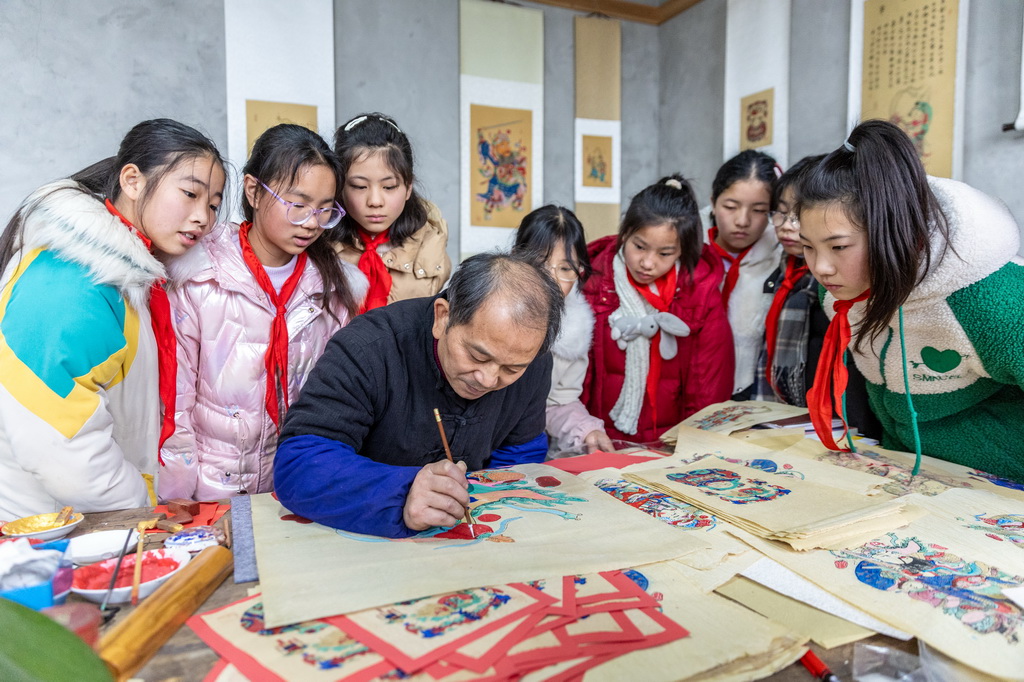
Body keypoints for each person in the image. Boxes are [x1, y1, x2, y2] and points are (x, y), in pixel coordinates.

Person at [0, 119, 226, 519]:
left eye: (212, 204)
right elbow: (61, 446)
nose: (203, 217)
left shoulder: (132, 275)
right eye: (190, 193)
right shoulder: (72, 280)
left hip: (83, 519)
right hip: (48, 529)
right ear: (132, 181)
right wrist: (141, 508)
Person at [273, 252, 564, 537]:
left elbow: (520, 454)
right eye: (477, 356)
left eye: (511, 369)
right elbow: (299, 465)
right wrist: (401, 493)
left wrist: (491, 499)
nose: (488, 379)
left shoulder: (533, 362)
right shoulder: (370, 347)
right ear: (443, 317)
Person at [799, 119, 1024, 482]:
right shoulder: (842, 291)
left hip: (1004, 487)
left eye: (838, 247)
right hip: (911, 472)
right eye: (807, 247)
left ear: (892, 231)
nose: (821, 268)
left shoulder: (992, 297)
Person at [159, 124, 367, 501]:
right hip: (208, 489)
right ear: (254, 191)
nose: (312, 223)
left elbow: (336, 405)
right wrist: (177, 499)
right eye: (298, 204)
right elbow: (175, 403)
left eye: (324, 210)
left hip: (294, 487)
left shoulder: (335, 291)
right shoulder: (200, 276)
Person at [581, 175, 734, 444]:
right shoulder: (592, 282)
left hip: (668, 445)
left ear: (681, 252)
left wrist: (692, 446)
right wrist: (581, 432)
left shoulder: (699, 292)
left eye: (664, 253)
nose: (647, 263)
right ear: (624, 233)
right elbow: (574, 378)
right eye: (639, 247)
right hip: (597, 439)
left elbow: (708, 386)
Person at [512, 205, 613, 454]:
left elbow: (558, 402)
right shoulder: (486, 311)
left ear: (579, 273)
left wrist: (586, 429)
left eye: (565, 269)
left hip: (519, 451)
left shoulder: (574, 331)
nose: (551, 279)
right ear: (515, 258)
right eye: (539, 263)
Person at [332, 113, 451, 312]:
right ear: (340, 186)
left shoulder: (431, 245)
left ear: (408, 187)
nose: (375, 201)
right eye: (360, 186)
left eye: (389, 187)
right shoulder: (317, 244)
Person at [706, 150, 781, 399]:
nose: (742, 220)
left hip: (751, 390)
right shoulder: (682, 252)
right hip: (692, 387)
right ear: (713, 202)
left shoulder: (782, 258)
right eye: (730, 206)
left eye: (759, 210)